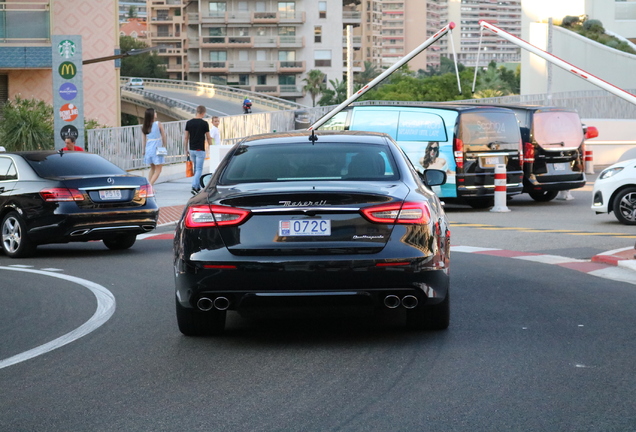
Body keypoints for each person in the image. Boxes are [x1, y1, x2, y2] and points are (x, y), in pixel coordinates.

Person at [184, 105, 213, 195]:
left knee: (196, 168)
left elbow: (186, 138)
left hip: (192, 149)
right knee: (199, 169)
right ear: (203, 113)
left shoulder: (189, 123)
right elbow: (208, 137)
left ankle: (197, 186)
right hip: (200, 149)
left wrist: (186, 149)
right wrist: (212, 147)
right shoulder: (204, 123)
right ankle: (194, 186)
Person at [142, 108, 167, 185]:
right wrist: (164, 146)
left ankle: (149, 186)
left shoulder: (145, 126)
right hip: (157, 148)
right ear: (152, 115)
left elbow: (144, 140)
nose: (156, 113)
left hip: (149, 149)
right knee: (159, 170)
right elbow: (163, 136)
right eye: (155, 112)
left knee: (152, 168)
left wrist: (143, 150)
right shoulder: (158, 124)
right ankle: (150, 186)